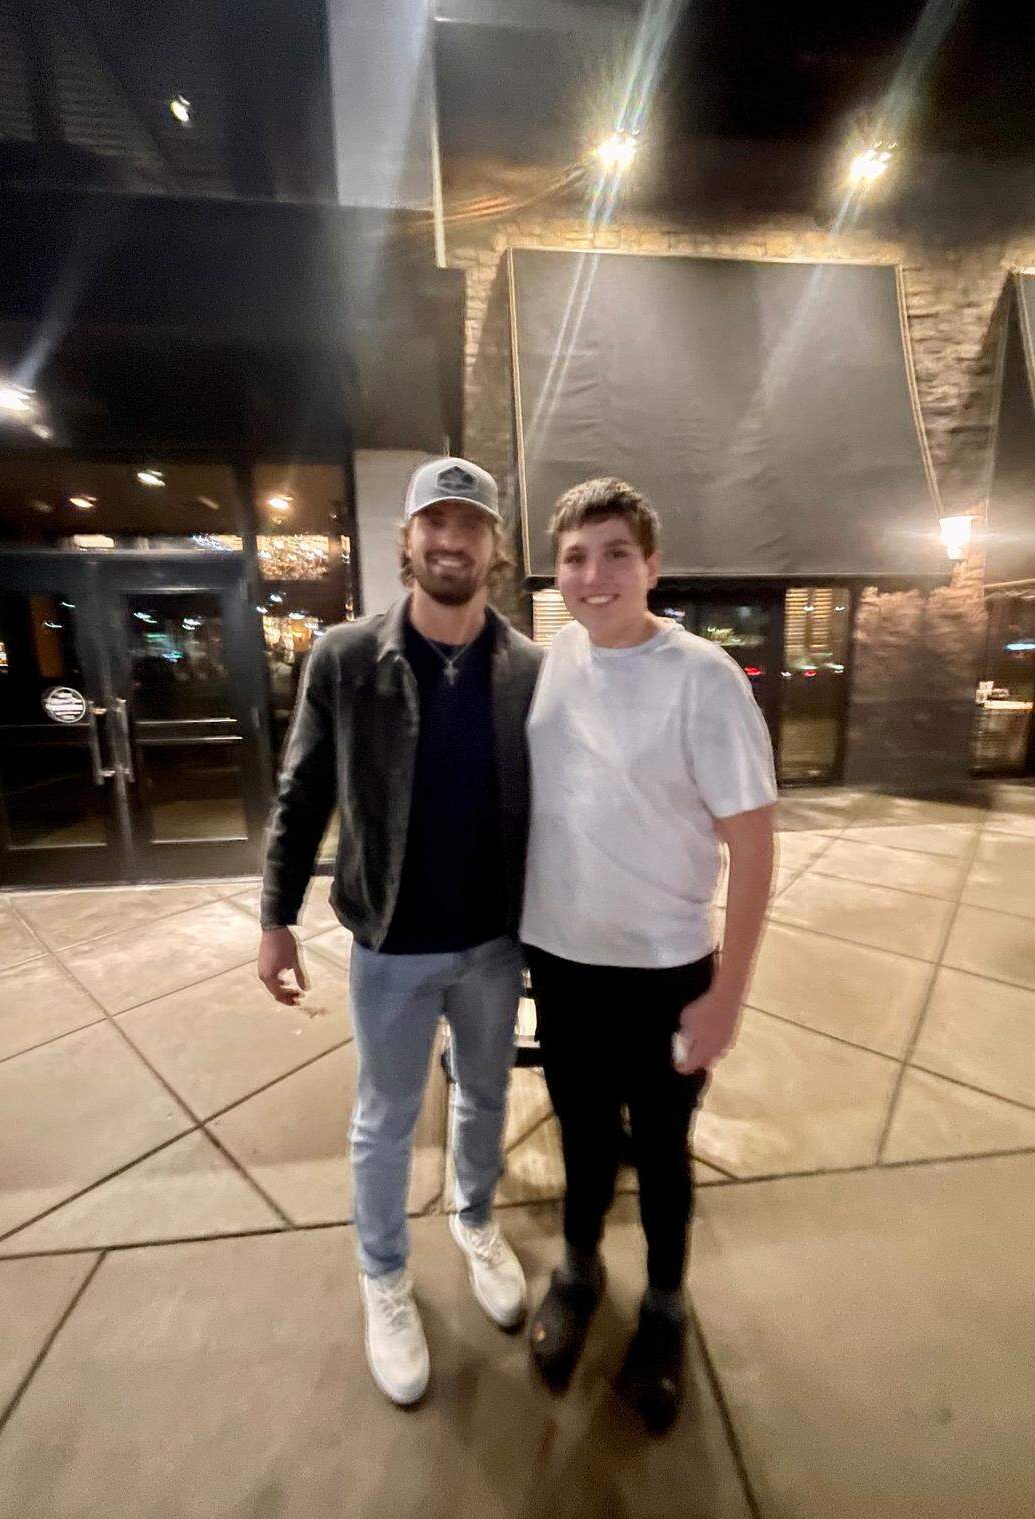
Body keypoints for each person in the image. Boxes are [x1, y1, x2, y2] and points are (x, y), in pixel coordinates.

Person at [258, 456, 543, 1407]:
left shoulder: (530, 669)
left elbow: (563, 805)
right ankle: (384, 1277)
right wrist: (276, 919)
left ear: (495, 548)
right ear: (409, 539)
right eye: (436, 522)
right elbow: (301, 797)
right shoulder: (346, 657)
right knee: (383, 1120)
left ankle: (474, 1220)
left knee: (486, 1096)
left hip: (496, 945)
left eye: (470, 525)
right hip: (390, 942)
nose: (451, 539)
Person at [521, 477, 776, 1433]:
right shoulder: (551, 667)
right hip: (565, 965)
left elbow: (754, 844)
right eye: (578, 557)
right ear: (559, 571)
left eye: (616, 553)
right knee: (582, 1136)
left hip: (668, 969)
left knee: (662, 1151)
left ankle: (664, 1307)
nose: (595, 575)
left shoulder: (702, 676)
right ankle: (580, 1269)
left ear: (652, 565)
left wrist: (729, 996)